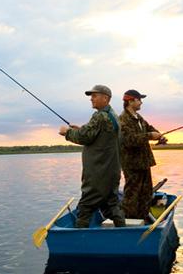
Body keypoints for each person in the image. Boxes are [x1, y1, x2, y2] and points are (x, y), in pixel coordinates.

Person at [59, 85, 126, 228]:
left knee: (85, 206)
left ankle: (78, 240)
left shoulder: (100, 115)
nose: (91, 99)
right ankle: (123, 231)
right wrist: (81, 129)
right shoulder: (113, 115)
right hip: (112, 170)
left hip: (98, 172)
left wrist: (67, 132)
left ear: (106, 98)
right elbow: (97, 134)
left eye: (95, 96)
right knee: (112, 205)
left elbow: (84, 138)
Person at [119, 89, 167, 222]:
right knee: (132, 195)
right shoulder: (123, 119)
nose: (141, 102)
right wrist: (150, 136)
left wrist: (159, 136)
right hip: (132, 164)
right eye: (139, 99)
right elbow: (129, 140)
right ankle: (128, 222)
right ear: (130, 101)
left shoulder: (138, 118)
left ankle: (142, 219)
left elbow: (149, 128)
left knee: (146, 194)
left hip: (144, 162)